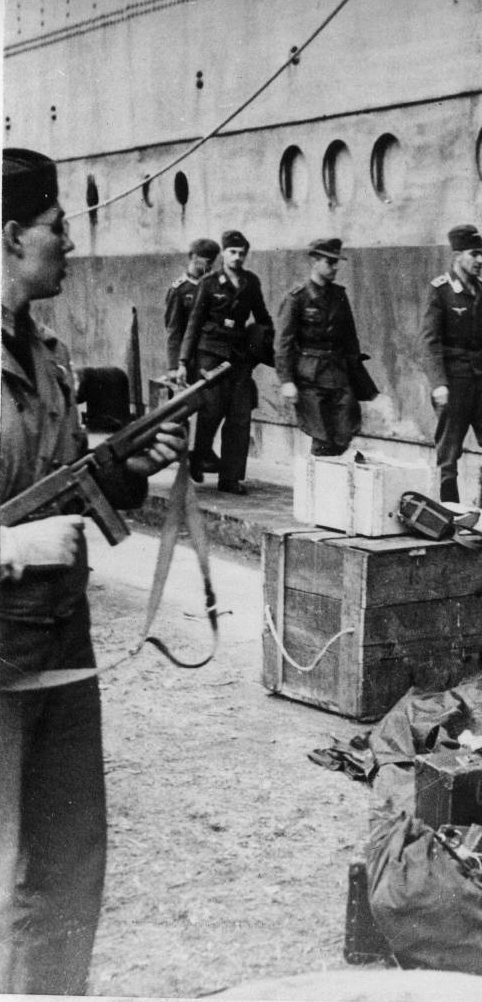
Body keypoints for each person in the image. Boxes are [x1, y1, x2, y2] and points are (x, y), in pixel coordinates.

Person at [0, 147, 185, 996]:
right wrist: (14, 548)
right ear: (10, 236)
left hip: (61, 652)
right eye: (56, 227)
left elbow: (69, 491)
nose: (70, 242)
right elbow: (33, 526)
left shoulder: (49, 354)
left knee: (70, 867)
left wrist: (132, 464)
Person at [420, 224, 482, 514]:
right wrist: (438, 384)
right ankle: (450, 514)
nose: (480, 260)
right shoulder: (440, 291)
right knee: (449, 454)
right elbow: (429, 342)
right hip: (454, 381)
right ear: (457, 255)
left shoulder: (481, 290)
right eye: (474, 254)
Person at [177, 229, 274, 494]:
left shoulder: (250, 282)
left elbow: (263, 318)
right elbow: (194, 323)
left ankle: (230, 479)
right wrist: (184, 361)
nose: (237, 257)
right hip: (210, 354)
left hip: (239, 357)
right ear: (223, 253)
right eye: (232, 252)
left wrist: (259, 345)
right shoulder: (208, 283)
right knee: (210, 412)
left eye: (242, 253)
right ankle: (199, 456)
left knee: (240, 417)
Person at [276, 238, 363, 457]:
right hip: (310, 377)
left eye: (336, 262)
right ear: (314, 261)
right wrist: (286, 381)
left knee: (345, 431)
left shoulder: (339, 295)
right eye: (329, 262)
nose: (335, 268)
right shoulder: (297, 298)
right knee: (322, 436)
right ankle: (321, 488)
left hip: (338, 374)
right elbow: (284, 343)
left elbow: (350, 340)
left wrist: (358, 378)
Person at [164, 237, 219, 376]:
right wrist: (173, 367)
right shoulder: (180, 289)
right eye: (204, 259)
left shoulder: (214, 286)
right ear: (192, 257)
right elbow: (173, 329)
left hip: (210, 354)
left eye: (211, 260)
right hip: (188, 357)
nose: (208, 264)